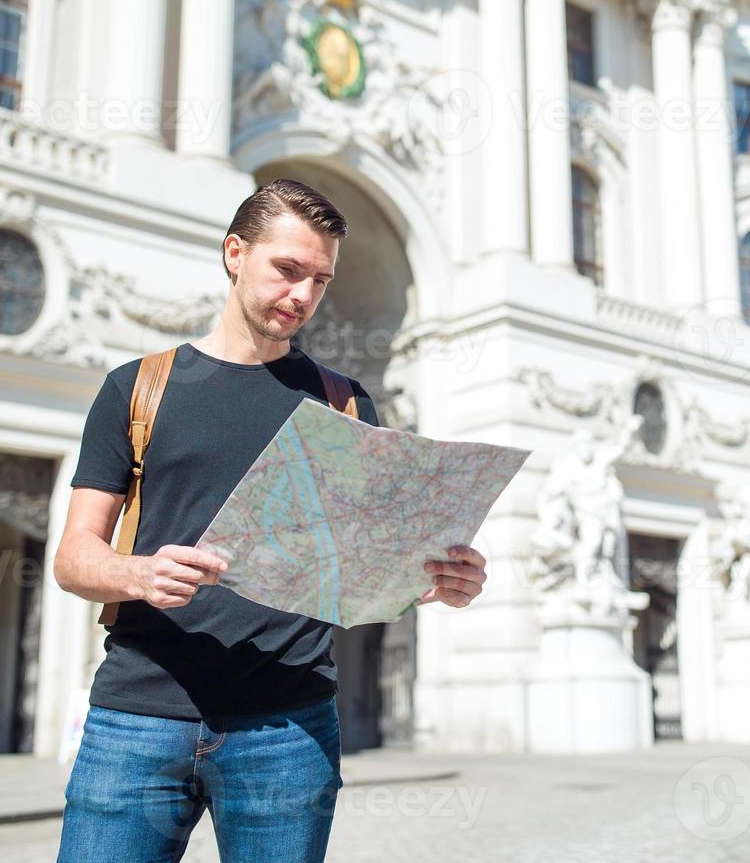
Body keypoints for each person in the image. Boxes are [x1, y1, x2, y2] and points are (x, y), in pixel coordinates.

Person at [53, 179, 488, 862]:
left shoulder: (344, 404)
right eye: (287, 270)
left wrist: (434, 581)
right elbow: (75, 557)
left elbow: (364, 562)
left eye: (320, 279)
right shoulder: (137, 388)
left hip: (289, 728)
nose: (303, 297)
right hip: (137, 716)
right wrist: (137, 573)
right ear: (234, 253)